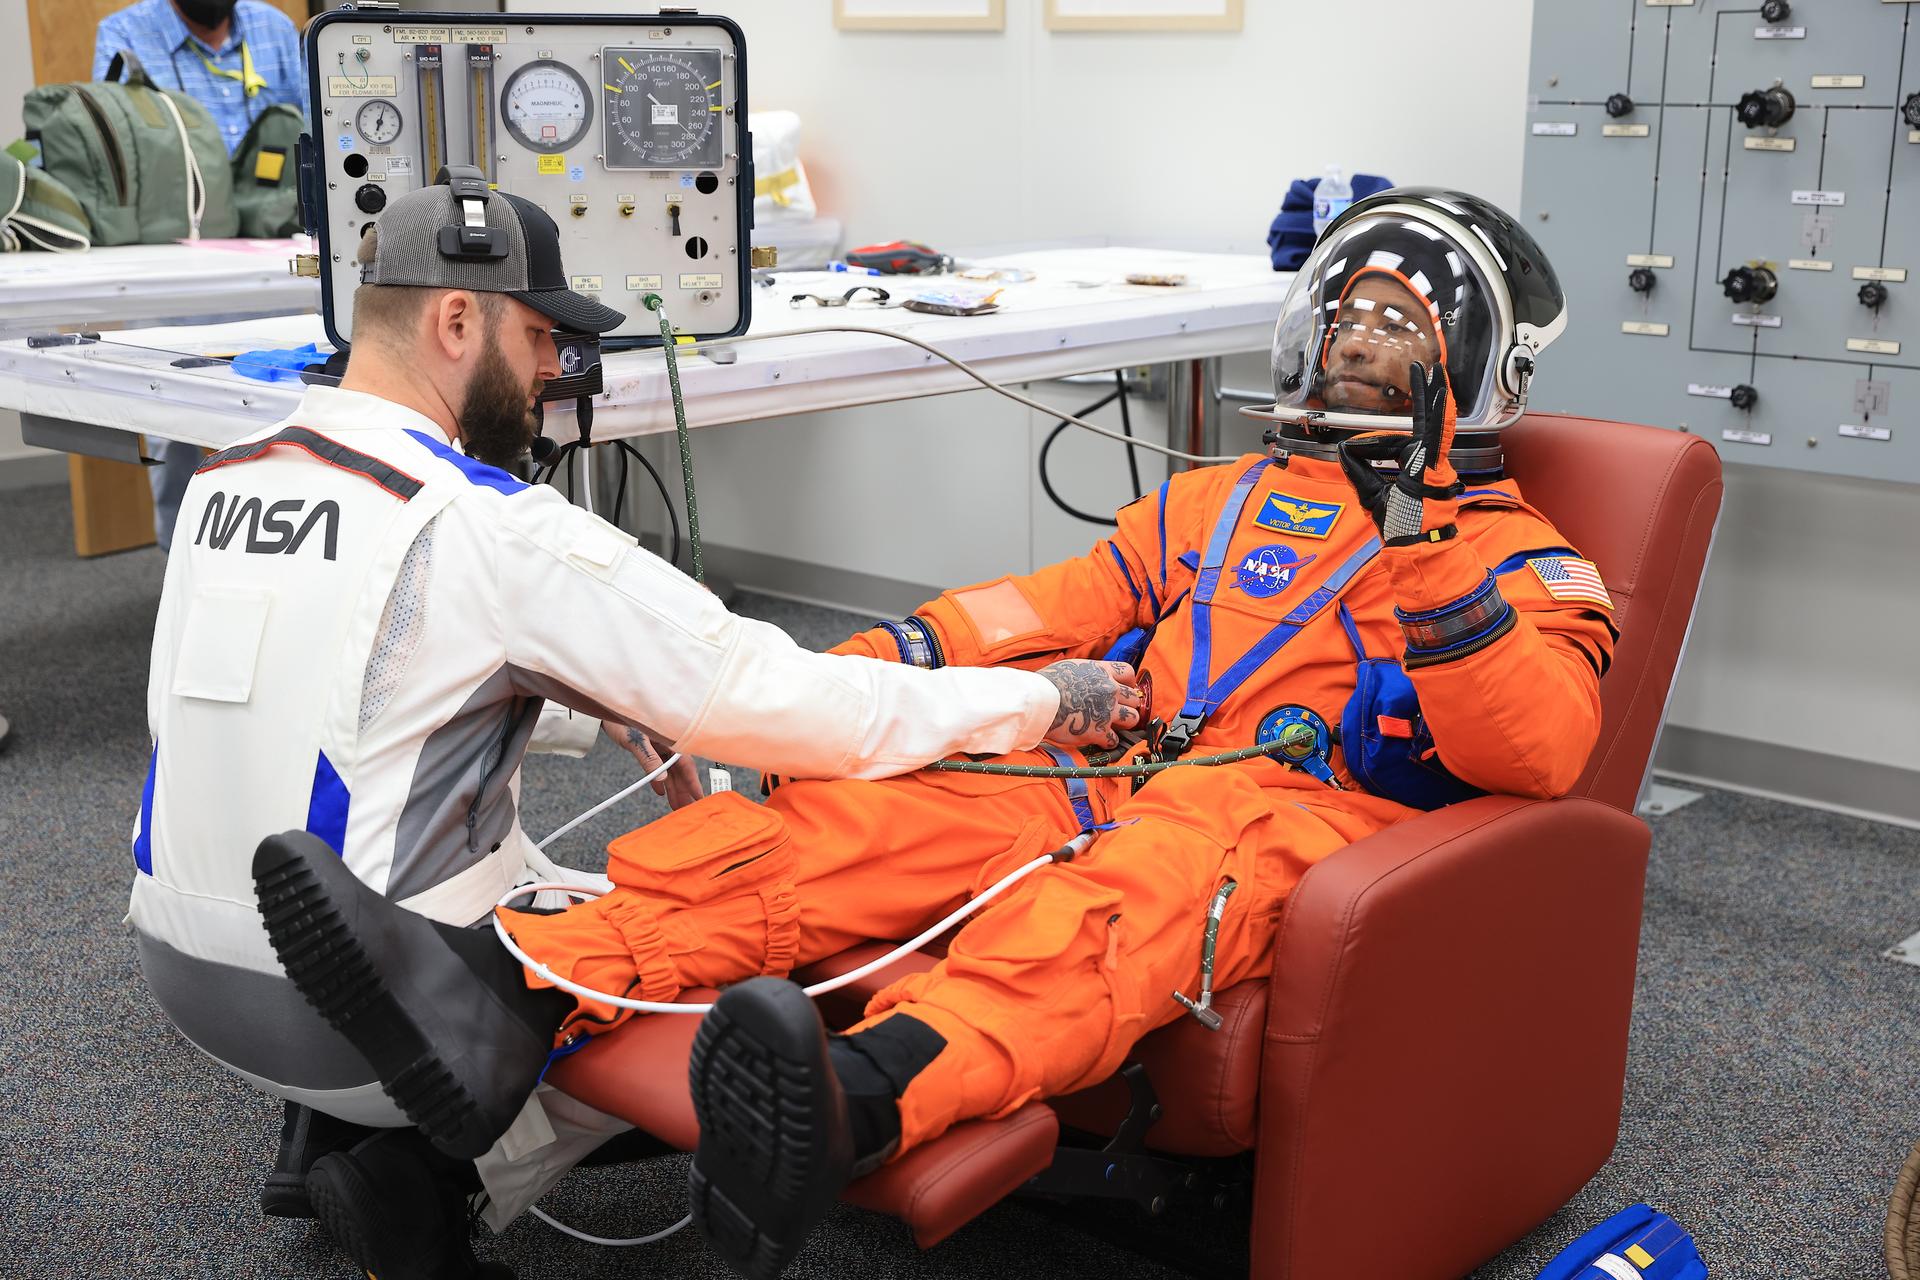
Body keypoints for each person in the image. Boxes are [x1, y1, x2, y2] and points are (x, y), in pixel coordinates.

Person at [257, 188, 1615, 1280]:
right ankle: (503, 983)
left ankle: (851, 1100)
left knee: (1122, 910)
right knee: (856, 822)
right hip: (1109, 770)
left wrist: (1418, 543)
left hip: (1288, 824)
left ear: (1476, 370)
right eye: (1349, 318)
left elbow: (1541, 752)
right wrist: (849, 686)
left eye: (1398, 326)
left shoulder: (1523, 563)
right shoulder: (1225, 504)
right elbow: (1041, 610)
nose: (1360, 347)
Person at [133, 169, 1139, 1279]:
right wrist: (1045, 698)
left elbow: (344, 681)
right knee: (723, 926)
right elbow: (802, 704)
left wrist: (576, 705)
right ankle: (428, 1164)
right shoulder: (485, 523)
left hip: (184, 971)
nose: (556, 370)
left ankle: (344, 1139)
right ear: (456, 319)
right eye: (540, 335)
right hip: (355, 1015)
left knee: (504, 855)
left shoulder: (230, 478)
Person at [92, 0, 309, 553]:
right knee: (172, 428)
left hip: (271, 266)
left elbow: (314, 131)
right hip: (171, 266)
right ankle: (182, 574)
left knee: (285, 416)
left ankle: (284, 567)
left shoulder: (274, 28)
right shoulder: (125, 35)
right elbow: (115, 154)